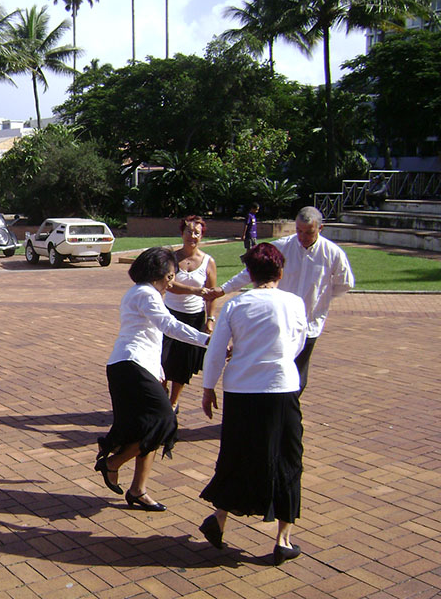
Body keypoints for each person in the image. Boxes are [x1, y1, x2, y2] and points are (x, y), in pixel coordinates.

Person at [199, 242, 307, 566]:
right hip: (280, 388)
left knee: (236, 454)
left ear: (250, 273)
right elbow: (297, 344)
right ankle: (283, 538)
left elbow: (216, 350)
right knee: (287, 457)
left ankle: (219, 518)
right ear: (280, 272)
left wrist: (208, 387)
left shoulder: (236, 304)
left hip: (241, 390)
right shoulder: (294, 303)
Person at [95, 247, 210, 512]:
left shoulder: (143, 293)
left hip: (136, 367)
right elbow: (168, 326)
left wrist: (158, 372)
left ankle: (138, 490)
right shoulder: (146, 293)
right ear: (157, 273)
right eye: (170, 276)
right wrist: (208, 341)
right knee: (165, 421)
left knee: (148, 428)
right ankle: (112, 463)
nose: (172, 282)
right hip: (130, 366)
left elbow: (151, 337)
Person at [207, 206, 354, 396]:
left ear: (320, 228)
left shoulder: (333, 253)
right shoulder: (283, 247)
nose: (302, 236)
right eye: (299, 231)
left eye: (308, 232)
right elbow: (251, 270)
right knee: (272, 367)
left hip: (309, 322)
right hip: (277, 319)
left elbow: (345, 283)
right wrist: (224, 289)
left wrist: (322, 298)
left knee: (298, 374)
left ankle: (289, 406)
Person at [161, 215, 217, 412]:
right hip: (170, 315)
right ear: (182, 233)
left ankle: (173, 402)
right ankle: (162, 393)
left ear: (202, 236)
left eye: (197, 233)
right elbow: (169, 284)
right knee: (163, 360)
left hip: (194, 318)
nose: (192, 236)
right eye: (189, 232)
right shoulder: (172, 258)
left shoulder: (208, 261)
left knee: (183, 364)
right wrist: (194, 290)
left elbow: (211, 294)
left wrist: (210, 319)